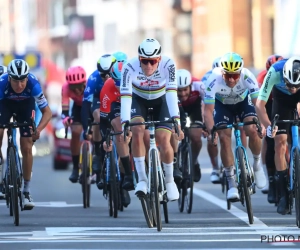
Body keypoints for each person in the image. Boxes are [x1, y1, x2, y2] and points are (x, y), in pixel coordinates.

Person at [120, 38, 184, 201]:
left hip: (161, 100)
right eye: (144, 61)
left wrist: (176, 120)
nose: (148, 66)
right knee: (136, 129)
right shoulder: (129, 67)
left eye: (152, 61)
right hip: (138, 99)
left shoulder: (169, 65)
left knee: (164, 139)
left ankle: (169, 181)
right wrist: (124, 123)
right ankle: (142, 179)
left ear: (159, 60)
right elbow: (126, 97)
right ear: (139, 59)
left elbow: (171, 93)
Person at [204, 52, 266, 201]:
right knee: (224, 137)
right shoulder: (213, 79)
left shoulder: (247, 76)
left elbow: (259, 104)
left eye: (235, 76)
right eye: (228, 76)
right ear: (222, 73)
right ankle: (231, 183)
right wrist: (212, 131)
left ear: (240, 73)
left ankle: (257, 164)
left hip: (243, 102)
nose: (231, 79)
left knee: (252, 128)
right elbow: (207, 111)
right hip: (222, 105)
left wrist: (262, 124)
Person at [0, 59, 52, 209]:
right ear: (9, 78)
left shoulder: (33, 84)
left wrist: (39, 130)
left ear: (27, 78)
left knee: (27, 145)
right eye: (15, 81)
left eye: (22, 80)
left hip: (25, 107)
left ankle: (26, 191)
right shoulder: (1, 83)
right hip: (5, 105)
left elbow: (47, 112)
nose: (19, 85)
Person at [256, 56, 300, 215]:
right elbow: (259, 104)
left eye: (295, 85)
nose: (292, 88)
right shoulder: (274, 71)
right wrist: (268, 127)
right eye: (289, 84)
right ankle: (284, 194)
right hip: (280, 99)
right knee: (279, 142)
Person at [98, 59, 132, 207]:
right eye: (117, 82)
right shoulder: (107, 87)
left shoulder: (135, 83)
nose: (120, 85)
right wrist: (106, 138)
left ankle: (125, 177)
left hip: (130, 103)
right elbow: (104, 119)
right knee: (120, 132)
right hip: (115, 106)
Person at [81, 54, 116, 181]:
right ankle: (97, 153)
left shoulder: (121, 74)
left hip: (115, 98)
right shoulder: (93, 79)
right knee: (98, 116)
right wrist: (86, 128)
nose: (106, 78)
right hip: (99, 99)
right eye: (103, 75)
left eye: (109, 74)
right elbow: (85, 105)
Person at [256, 54, 283, 202]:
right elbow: (259, 103)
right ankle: (271, 179)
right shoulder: (262, 77)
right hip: (269, 103)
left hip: (285, 101)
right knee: (270, 139)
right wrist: (263, 124)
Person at [173, 69, 205, 183]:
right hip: (176, 107)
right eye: (179, 90)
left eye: (185, 90)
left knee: (196, 137)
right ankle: (175, 164)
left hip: (193, 108)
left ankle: (194, 162)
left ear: (191, 85)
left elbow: (208, 105)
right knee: (173, 134)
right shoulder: (169, 87)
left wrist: (206, 124)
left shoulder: (199, 86)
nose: (182, 93)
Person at [62, 66, 87, 183]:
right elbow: (65, 110)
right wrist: (66, 118)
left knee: (96, 130)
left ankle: (98, 158)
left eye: (79, 86)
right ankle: (75, 168)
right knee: (75, 131)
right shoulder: (65, 88)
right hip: (77, 108)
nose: (76, 90)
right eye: (73, 87)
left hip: (91, 106)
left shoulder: (90, 86)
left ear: (84, 82)